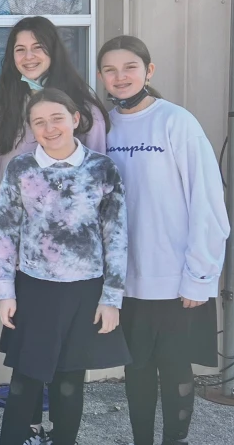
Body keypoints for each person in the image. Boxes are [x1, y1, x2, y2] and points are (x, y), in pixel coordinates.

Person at [0, 16, 109, 442]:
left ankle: (60, 428)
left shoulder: (82, 109)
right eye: (20, 49)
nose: (29, 56)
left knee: (65, 357)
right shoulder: (8, 104)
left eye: (37, 47)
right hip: (16, 250)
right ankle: (30, 428)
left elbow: (100, 185)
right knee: (27, 352)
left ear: (54, 50)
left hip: (70, 262)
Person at [97, 35, 230, 445]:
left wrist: (199, 276)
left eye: (130, 67)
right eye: (110, 69)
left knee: (175, 370)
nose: (120, 77)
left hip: (175, 280)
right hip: (124, 281)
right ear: (102, 76)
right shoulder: (101, 126)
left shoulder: (177, 121)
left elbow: (208, 203)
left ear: (148, 72)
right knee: (135, 371)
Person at [0, 88, 131, 445]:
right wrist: (5, 293)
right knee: (25, 379)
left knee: (69, 381)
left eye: (57, 118)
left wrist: (111, 298)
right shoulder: (21, 168)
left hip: (85, 291)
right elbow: (5, 233)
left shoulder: (102, 168)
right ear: (31, 129)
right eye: (39, 122)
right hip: (34, 288)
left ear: (75, 119)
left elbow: (116, 236)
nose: (49, 127)